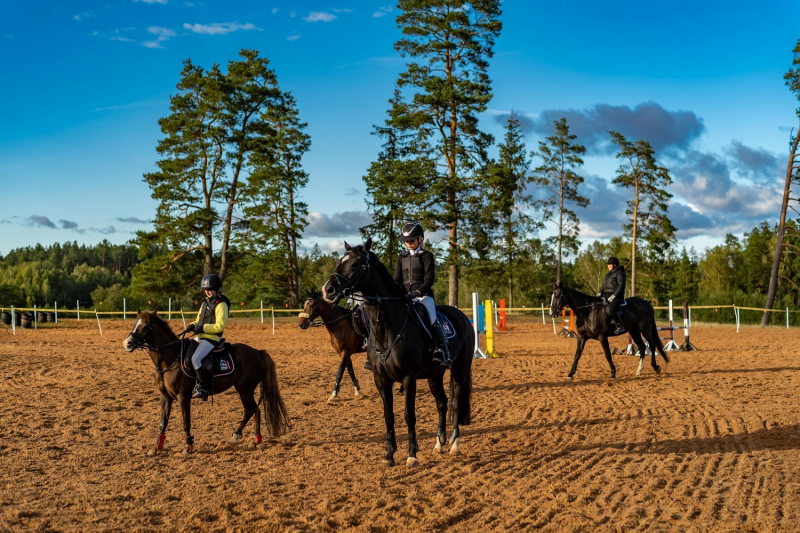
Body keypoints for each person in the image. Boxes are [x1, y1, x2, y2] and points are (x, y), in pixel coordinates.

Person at [393, 222, 452, 368]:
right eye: (406, 241)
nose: (409, 243)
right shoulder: (402, 257)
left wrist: (417, 293)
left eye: (412, 240)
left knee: (432, 318)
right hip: (406, 297)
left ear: (420, 239)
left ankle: (443, 351)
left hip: (423, 296)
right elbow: (397, 280)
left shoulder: (426, 256)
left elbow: (429, 279)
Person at [181, 273, 230, 400]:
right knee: (185, 352)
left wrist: (202, 328)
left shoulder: (221, 304)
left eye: (210, 289)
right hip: (200, 337)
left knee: (196, 358)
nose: (207, 292)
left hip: (211, 339)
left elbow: (220, 326)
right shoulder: (205, 303)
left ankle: (204, 388)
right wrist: (192, 325)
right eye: (205, 290)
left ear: (217, 289)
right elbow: (198, 320)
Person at [597, 257, 626, 335]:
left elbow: (621, 287)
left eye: (609, 264)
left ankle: (620, 325)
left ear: (614, 265)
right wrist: (600, 292)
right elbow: (604, 286)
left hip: (617, 297)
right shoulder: (608, 274)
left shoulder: (620, 273)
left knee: (610, 309)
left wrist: (614, 296)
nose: (608, 266)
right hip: (606, 296)